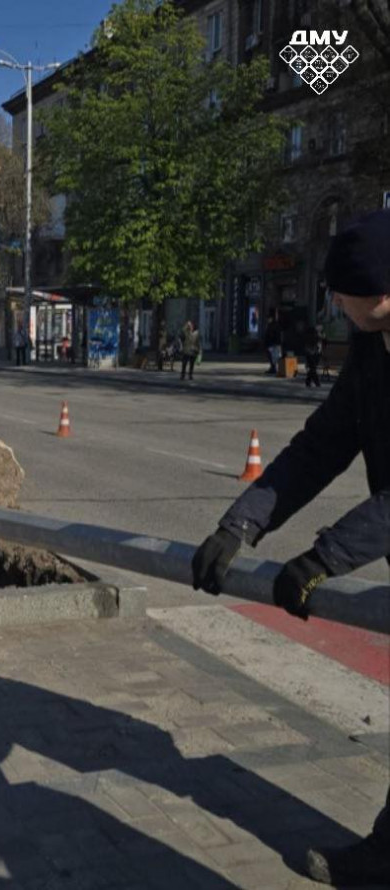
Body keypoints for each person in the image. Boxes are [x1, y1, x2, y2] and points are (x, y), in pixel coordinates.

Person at [191, 209, 390, 887]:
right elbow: (324, 443)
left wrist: (324, 558)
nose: (332, 303)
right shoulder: (372, 345)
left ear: (382, 292)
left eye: (342, 293)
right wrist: (241, 525)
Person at [303, 323, 323, 388]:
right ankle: (316, 382)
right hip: (313, 353)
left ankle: (308, 381)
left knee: (312, 368)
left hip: (314, 353)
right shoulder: (314, 335)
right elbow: (316, 342)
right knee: (313, 368)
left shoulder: (317, 335)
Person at [264, 309, 283, 374]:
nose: (268, 319)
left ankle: (274, 368)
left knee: (274, 356)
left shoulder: (274, 325)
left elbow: (273, 334)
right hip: (271, 343)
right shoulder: (271, 325)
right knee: (272, 356)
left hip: (273, 343)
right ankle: (273, 368)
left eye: (269, 318)